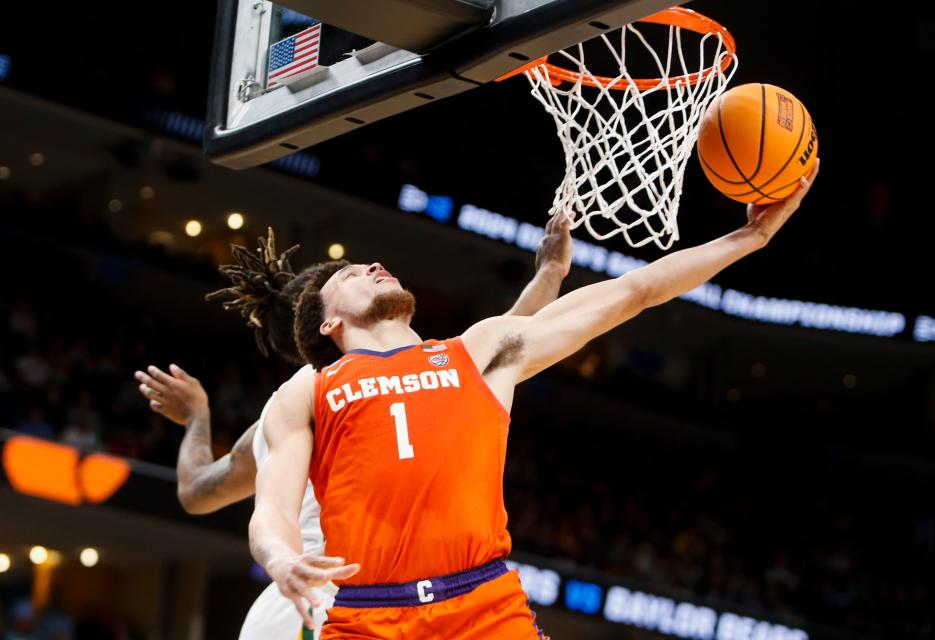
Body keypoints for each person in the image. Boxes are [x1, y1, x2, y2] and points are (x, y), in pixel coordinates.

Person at [252, 160, 820, 638]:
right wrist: (279, 556)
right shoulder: (310, 389)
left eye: (373, 263)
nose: (374, 266)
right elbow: (271, 510)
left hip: (483, 607)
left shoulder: (478, 350)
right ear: (327, 323)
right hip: (369, 617)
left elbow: (634, 291)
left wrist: (751, 238)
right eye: (352, 273)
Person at [134, 216, 573, 638]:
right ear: (326, 319)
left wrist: (197, 419)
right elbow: (513, 338)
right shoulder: (363, 383)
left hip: (293, 606)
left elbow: (194, 492)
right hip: (346, 605)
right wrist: (551, 273)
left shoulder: (282, 411)